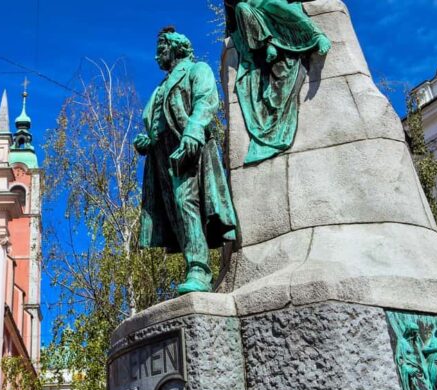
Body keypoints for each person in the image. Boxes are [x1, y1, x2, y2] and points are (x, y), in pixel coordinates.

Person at [133, 27, 237, 295]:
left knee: (186, 202)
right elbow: (157, 121)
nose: (157, 56)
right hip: (162, 158)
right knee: (174, 213)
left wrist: (193, 130)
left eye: (161, 49)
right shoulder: (160, 87)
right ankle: (194, 265)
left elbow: (206, 100)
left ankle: (199, 269)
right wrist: (149, 141)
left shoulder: (196, 69)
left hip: (187, 147)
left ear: (176, 48)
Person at [227, 0, 331, 164]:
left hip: (269, 6)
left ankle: (316, 35)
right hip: (250, 17)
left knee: (273, 3)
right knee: (242, 8)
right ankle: (269, 43)